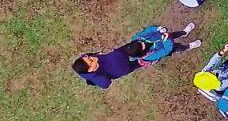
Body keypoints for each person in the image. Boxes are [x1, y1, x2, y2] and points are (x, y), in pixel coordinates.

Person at [72, 23, 200, 89]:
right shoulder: (97, 76)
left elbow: (146, 33)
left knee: (172, 35)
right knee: (176, 47)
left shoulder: (138, 40)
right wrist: (166, 42)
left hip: (121, 53)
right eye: (90, 61)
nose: (92, 57)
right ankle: (188, 46)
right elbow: (105, 84)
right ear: (91, 70)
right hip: (125, 67)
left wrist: (158, 30)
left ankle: (183, 33)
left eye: (88, 57)